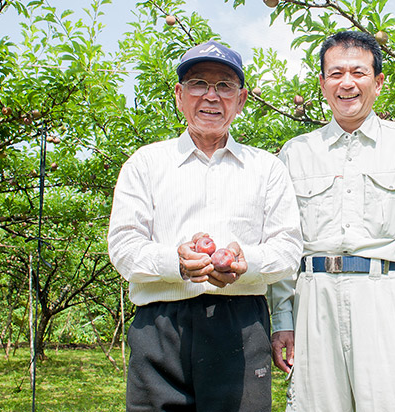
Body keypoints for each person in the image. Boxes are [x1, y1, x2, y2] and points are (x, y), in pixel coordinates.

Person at [108, 40, 303, 412]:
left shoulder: (267, 169)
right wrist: (174, 261)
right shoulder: (145, 164)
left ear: (242, 100)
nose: (211, 97)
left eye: (224, 86)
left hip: (240, 324)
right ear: (180, 96)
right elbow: (123, 245)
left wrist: (248, 261)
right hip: (160, 324)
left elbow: (288, 248)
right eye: (199, 84)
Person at [269, 30, 395, 411]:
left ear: (379, 82)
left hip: (386, 295)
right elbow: (284, 247)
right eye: (335, 74)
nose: (347, 83)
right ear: (321, 84)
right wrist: (281, 319)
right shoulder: (296, 153)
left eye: (358, 72)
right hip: (313, 299)